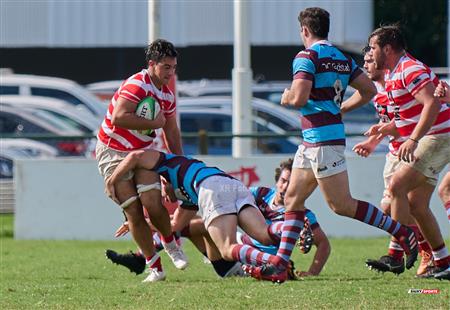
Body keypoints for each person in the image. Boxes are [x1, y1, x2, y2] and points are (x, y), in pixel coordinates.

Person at [246, 7, 418, 282]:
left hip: (322, 141)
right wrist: (340, 110)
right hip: (314, 139)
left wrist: (286, 97)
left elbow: (299, 98)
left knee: (342, 205)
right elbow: (369, 91)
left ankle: (402, 231)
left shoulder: (306, 57)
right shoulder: (340, 56)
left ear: (304, 30)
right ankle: (280, 263)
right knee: (293, 198)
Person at [105, 150, 289, 283]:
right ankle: (290, 226)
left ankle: (273, 262)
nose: (163, 195)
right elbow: (175, 226)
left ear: (163, 180)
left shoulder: (166, 163)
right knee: (265, 235)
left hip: (211, 186)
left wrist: (112, 181)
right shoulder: (189, 199)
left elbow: (135, 156)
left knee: (226, 248)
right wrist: (138, 223)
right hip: (233, 185)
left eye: (161, 188)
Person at [95, 39, 187, 283]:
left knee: (153, 202)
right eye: (166, 67)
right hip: (112, 151)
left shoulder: (167, 96)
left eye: (173, 67)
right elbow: (118, 117)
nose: (170, 72)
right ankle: (155, 267)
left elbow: (172, 132)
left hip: (141, 151)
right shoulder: (138, 84)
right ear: (152, 65)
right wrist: (154, 123)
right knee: (134, 211)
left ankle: (171, 244)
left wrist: (177, 169)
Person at [366, 25, 450, 279]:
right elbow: (410, 115)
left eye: (373, 48)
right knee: (415, 204)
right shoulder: (394, 74)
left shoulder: (409, 68)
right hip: (432, 135)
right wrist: (387, 129)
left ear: (387, 48)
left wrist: (413, 139)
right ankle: (442, 261)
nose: (370, 53)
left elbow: (432, 103)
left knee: (396, 187)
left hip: (439, 135)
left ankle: (401, 249)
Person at [353, 50, 433, 276]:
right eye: (364, 61)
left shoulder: (396, 82)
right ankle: (427, 253)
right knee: (402, 208)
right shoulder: (379, 89)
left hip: (410, 152)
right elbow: (387, 121)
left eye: (370, 60)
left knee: (393, 207)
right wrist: (371, 142)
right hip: (394, 153)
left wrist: (385, 131)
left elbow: (409, 120)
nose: (366, 65)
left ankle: (405, 255)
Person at [239, 158, 331, 277]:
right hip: (241, 249)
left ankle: (276, 267)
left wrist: (312, 272)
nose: (285, 186)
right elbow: (234, 197)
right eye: (283, 181)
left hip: (265, 263)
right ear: (277, 182)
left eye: (291, 183)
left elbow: (324, 244)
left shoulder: (303, 214)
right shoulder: (260, 193)